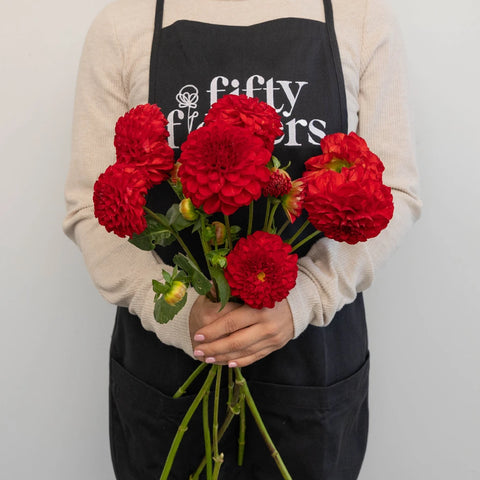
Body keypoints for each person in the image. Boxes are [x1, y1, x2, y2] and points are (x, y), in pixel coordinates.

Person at [63, 0, 421, 478]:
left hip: (311, 367)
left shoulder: (361, 19)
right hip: (169, 368)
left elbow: (395, 191)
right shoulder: (124, 23)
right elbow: (90, 203)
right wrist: (182, 315)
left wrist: (304, 299)